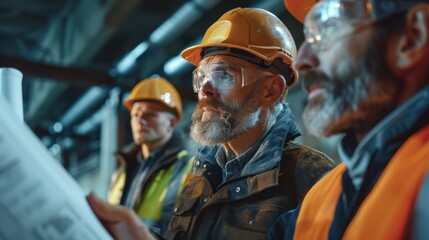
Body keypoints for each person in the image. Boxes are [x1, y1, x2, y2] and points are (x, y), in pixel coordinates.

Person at [88, 7, 335, 240]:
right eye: (202, 76)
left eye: (224, 75)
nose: (205, 90)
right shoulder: (201, 174)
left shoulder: (312, 179)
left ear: (270, 90)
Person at [268, 0, 429, 239]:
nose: (301, 61)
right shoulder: (320, 198)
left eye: (328, 27)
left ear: (411, 38)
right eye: (310, 35)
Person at [107, 76, 193, 237]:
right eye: (135, 115)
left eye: (149, 115)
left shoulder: (189, 168)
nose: (140, 121)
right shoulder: (122, 169)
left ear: (171, 123)